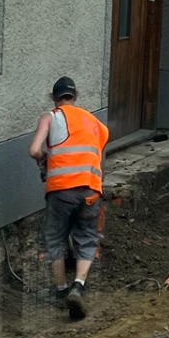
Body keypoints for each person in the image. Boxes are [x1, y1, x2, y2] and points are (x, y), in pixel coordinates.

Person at [27, 76, 108, 319]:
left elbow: (33, 150)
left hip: (61, 190)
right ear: (75, 96)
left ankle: (62, 290)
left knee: (55, 239)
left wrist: (45, 158)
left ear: (54, 98)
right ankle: (78, 286)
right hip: (91, 190)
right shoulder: (94, 121)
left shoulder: (51, 117)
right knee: (87, 238)